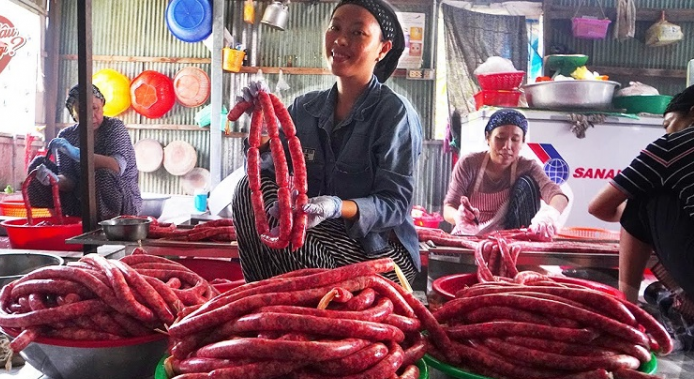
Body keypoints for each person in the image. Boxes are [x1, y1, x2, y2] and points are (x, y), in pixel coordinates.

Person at [232, 0, 423, 283]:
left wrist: (335, 207)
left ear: (383, 49)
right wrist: (258, 120)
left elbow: (394, 205)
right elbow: (267, 172)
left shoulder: (394, 113)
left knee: (297, 240)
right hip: (317, 235)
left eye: (358, 33)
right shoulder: (305, 107)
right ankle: (261, 299)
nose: (341, 39)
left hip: (379, 250)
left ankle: (289, 306)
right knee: (248, 189)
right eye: (335, 27)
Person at [588, 85, 694, 304]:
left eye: (669, 125)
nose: (667, 133)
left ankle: (627, 306)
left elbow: (599, 207)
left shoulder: (672, 146)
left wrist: (649, 229)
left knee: (641, 193)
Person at [443, 109, 569, 237]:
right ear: (488, 137)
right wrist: (458, 217)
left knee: (527, 183)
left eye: (515, 139)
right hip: (469, 235)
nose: (507, 146)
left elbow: (558, 195)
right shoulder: (469, 164)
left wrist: (550, 215)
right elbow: (449, 206)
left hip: (506, 239)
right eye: (500, 138)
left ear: (522, 142)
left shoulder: (527, 166)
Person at [27, 84, 141, 221]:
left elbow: (116, 166)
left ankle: (106, 228)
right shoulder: (67, 135)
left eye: (94, 108)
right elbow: (69, 180)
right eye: (82, 111)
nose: (90, 116)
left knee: (103, 174)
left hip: (122, 203)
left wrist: (77, 154)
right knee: (38, 165)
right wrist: (54, 180)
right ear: (73, 114)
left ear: (102, 104)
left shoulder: (114, 128)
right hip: (81, 201)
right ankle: (58, 221)